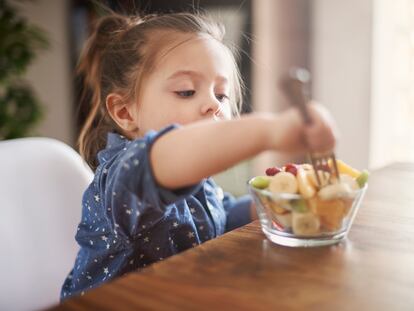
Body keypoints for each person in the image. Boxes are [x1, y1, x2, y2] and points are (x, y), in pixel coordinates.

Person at [61, 12, 337, 299]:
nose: (212, 104)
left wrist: (272, 204)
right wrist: (271, 130)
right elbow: (168, 154)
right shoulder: (124, 177)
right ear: (125, 112)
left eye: (221, 94)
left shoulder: (196, 178)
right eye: (186, 91)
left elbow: (218, 217)